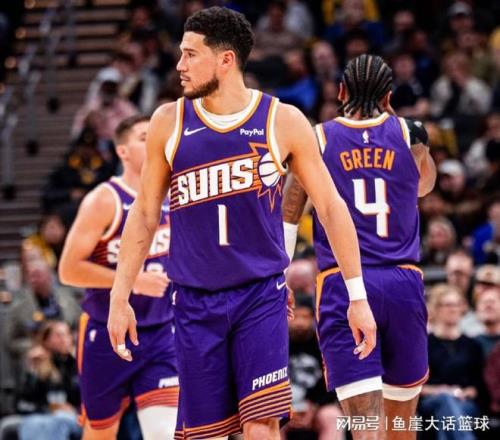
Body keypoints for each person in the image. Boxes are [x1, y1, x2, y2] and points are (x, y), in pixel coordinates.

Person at [107, 7, 375, 440]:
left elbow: (331, 207)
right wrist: (120, 297)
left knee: (261, 427)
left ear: (225, 60)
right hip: (194, 301)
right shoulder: (168, 121)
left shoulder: (281, 120)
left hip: (260, 295)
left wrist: (357, 296)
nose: (180, 65)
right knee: (207, 435)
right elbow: (144, 214)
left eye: (191, 54)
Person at [282, 54, 437, 438]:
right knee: (401, 425)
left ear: (340, 92)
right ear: (388, 97)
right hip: (402, 281)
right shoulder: (412, 133)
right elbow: (424, 186)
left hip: (344, 284)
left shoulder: (316, 138)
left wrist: (279, 276)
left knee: (366, 427)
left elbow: (288, 213)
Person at [58, 115, 178, 440]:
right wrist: (133, 281)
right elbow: (68, 270)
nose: (154, 142)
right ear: (123, 151)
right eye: (143, 137)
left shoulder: (173, 194)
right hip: (107, 332)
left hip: (162, 332)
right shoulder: (104, 199)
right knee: (100, 433)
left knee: (165, 432)